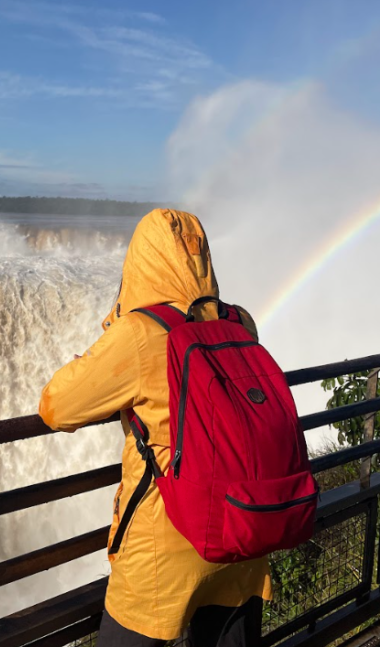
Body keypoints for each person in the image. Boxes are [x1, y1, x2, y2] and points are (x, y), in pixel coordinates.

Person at [38, 208, 272, 646]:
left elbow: (56, 407)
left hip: (166, 540)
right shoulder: (240, 321)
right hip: (241, 526)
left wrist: (116, 320)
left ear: (140, 262)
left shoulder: (140, 334)